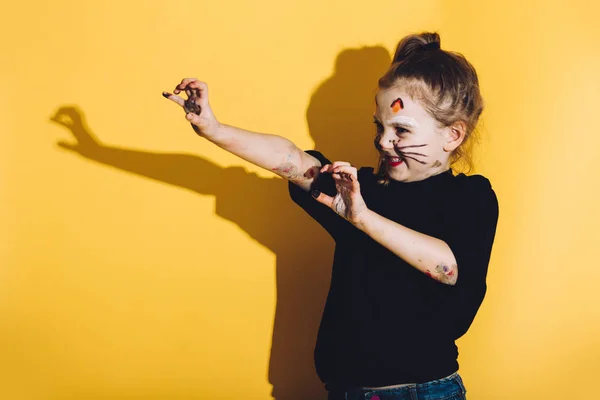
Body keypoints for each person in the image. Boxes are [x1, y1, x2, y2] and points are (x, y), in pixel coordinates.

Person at [162, 31, 499, 400]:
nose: (384, 141)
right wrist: (213, 128)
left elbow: (448, 267)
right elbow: (289, 159)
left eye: (401, 129)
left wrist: (362, 218)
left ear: (452, 135)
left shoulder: (471, 198)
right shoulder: (360, 188)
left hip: (422, 392)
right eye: (380, 126)